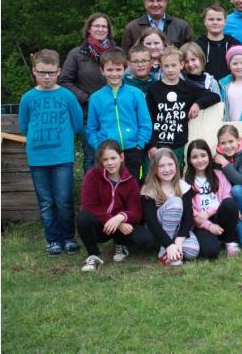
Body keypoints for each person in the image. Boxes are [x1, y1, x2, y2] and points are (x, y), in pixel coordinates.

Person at [19, 49, 84, 256]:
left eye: (50, 72)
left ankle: (68, 238)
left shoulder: (67, 95)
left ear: (58, 72)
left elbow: (77, 123)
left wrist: (62, 140)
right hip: (38, 158)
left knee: (64, 199)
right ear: (34, 71)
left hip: (62, 157)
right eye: (42, 72)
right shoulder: (28, 98)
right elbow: (24, 126)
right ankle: (53, 239)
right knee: (46, 201)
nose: (46, 76)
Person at [77, 140, 154, 271]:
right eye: (105, 159)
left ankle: (120, 243)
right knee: (83, 218)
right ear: (101, 161)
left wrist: (120, 218)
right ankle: (93, 255)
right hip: (102, 225)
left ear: (121, 157)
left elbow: (136, 211)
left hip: (122, 225)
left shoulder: (130, 181)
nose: (110, 163)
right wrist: (112, 220)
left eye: (113, 158)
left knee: (148, 241)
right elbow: (89, 205)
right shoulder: (93, 176)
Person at [59, 13, 119, 175]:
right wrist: (87, 98)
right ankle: (91, 197)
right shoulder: (77, 54)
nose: (100, 29)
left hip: (115, 114)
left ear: (109, 30)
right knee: (92, 157)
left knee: (116, 157)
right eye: (96, 26)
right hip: (87, 114)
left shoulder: (118, 52)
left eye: (104, 26)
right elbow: (64, 82)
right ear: (88, 29)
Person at [145, 46, 221, 166]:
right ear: (161, 66)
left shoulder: (188, 87)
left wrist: (197, 104)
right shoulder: (154, 89)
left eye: (173, 65)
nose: (170, 69)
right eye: (166, 66)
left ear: (181, 65)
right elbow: (149, 118)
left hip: (178, 145)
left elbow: (215, 97)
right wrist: (151, 144)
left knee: (176, 176)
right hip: (158, 144)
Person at [85, 50, 152, 182]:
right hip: (107, 153)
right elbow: (91, 128)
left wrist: (140, 144)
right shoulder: (96, 97)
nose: (114, 74)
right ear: (102, 70)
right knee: (109, 188)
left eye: (118, 69)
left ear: (125, 68)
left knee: (133, 187)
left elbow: (145, 123)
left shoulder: (136, 93)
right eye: (109, 70)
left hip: (132, 150)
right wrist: (98, 146)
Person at [182, 139, 242, 259]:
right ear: (189, 159)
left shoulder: (219, 175)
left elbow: (226, 198)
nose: (200, 160)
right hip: (200, 223)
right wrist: (209, 225)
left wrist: (208, 212)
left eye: (203, 155)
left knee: (230, 204)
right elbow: (189, 210)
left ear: (209, 156)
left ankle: (230, 241)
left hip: (219, 217)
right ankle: (217, 240)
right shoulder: (185, 180)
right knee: (210, 252)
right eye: (195, 157)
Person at [141, 148, 201, 266]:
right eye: (161, 166)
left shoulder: (183, 187)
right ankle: (164, 250)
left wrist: (177, 244)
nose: (167, 169)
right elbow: (151, 222)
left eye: (170, 164)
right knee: (175, 203)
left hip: (177, 231)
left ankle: (171, 251)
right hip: (158, 231)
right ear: (154, 169)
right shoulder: (148, 189)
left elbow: (188, 219)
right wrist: (168, 244)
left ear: (176, 165)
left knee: (193, 251)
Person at [214, 125, 242, 256]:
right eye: (223, 143)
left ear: (238, 140)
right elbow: (218, 180)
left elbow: (240, 179)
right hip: (226, 194)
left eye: (231, 141)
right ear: (218, 143)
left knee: (236, 189)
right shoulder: (217, 157)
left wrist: (225, 164)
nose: (227, 146)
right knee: (233, 212)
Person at [121, 0, 193, 51]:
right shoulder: (132, 28)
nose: (155, 4)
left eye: (159, 0)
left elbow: (190, 54)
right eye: (151, 0)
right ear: (144, 2)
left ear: (166, 2)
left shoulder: (182, 27)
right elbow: (126, 57)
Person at [196, 3, 241, 81]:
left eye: (219, 19)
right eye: (211, 19)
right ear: (205, 22)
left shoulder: (235, 44)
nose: (215, 22)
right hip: (205, 90)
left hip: (230, 89)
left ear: (225, 22)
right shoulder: (197, 46)